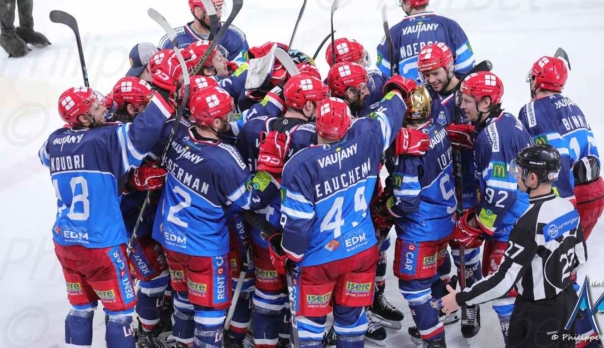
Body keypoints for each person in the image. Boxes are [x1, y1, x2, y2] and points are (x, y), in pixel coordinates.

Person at [268, 75, 415, 348]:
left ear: (316, 127)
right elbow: (390, 115)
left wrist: (287, 253)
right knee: (352, 322)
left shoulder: (299, 165)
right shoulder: (368, 139)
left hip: (318, 260)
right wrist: (397, 90)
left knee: (311, 326)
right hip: (361, 252)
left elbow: (297, 227)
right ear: (349, 124)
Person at [38, 85, 174, 348]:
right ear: (84, 118)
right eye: (97, 107)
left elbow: (44, 155)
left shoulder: (54, 141)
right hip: (101, 245)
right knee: (120, 315)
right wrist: (165, 93)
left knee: (81, 309)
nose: (106, 107)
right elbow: (142, 134)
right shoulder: (107, 139)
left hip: (66, 243)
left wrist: (80, 129)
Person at [152, 86, 276, 348]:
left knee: (184, 302)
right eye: (227, 114)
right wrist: (269, 170)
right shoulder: (224, 158)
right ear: (216, 121)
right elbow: (249, 199)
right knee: (210, 313)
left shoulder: (176, 135)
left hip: (170, 239)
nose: (232, 117)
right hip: (203, 249)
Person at [441, 145, 588, 348]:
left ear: (533, 178)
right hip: (567, 303)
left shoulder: (528, 222)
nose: (516, 177)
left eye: (519, 172)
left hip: (536, 315)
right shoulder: (568, 208)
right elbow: (580, 258)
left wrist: (461, 298)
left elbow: (504, 279)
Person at [236, 73, 330, 348]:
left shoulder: (252, 126)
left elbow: (243, 170)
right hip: (295, 233)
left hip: (259, 229)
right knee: (297, 298)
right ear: (309, 107)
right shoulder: (312, 136)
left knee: (266, 297)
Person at [518, 55, 604, 346]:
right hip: (596, 191)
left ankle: (578, 338)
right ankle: (586, 336)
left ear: (537, 80)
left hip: (573, 196)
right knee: (564, 269)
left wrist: (559, 206)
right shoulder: (572, 104)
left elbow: (556, 155)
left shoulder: (532, 109)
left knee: (557, 273)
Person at [445, 71, 532, 344]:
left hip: (509, 230)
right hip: (526, 220)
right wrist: (473, 135)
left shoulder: (491, 139)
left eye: (468, 100)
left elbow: (501, 196)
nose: (461, 105)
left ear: (485, 103)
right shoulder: (507, 121)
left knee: (505, 297)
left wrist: (475, 226)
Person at [373, 85, 456, 348]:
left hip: (421, 229)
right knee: (432, 277)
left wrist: (384, 210)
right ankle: (438, 321)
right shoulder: (438, 129)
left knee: (414, 288)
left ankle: (434, 341)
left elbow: (406, 202)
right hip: (445, 221)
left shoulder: (410, 144)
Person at [417, 43, 483, 337]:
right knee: (438, 247)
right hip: (439, 187)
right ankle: (447, 302)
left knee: (467, 253)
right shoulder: (426, 98)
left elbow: (485, 134)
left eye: (435, 73)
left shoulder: (465, 96)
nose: (431, 79)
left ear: (450, 67)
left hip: (467, 183)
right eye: (425, 74)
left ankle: (471, 305)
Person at [109, 76, 171, 348]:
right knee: (153, 277)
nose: (147, 109)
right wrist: (133, 181)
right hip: (125, 227)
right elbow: (106, 179)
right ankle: (147, 332)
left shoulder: (124, 125)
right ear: (132, 109)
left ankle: (155, 320)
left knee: (161, 275)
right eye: (143, 105)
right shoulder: (113, 135)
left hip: (144, 221)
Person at [376, 0, 474, 80]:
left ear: (408, 3)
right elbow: (466, 67)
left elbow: (383, 74)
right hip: (444, 94)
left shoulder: (395, 32)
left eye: (402, 1)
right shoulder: (450, 26)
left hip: (409, 95)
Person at [157, 0, 248, 62]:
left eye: (220, 9)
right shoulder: (171, 41)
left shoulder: (234, 36)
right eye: (215, 10)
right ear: (198, 11)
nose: (219, 15)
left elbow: (245, 68)